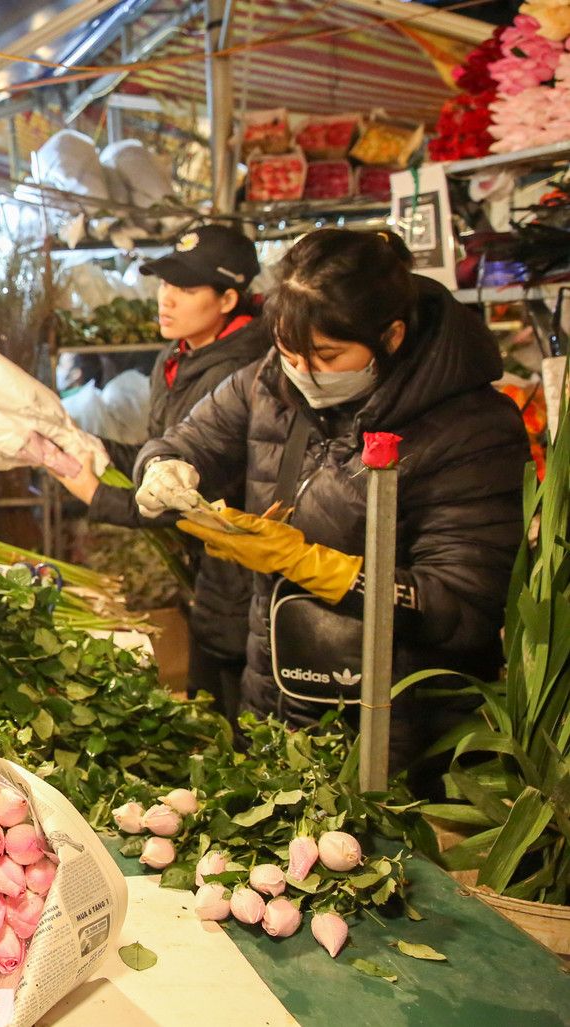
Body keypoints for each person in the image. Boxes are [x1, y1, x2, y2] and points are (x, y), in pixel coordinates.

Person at [134, 229, 528, 790]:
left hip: (399, 733)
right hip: (275, 703)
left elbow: (465, 603)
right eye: (290, 350)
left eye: (327, 355)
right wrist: (165, 467)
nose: (303, 371)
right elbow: (191, 439)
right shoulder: (270, 379)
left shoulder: (471, 429)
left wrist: (318, 566)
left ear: (390, 335)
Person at [54, 226, 268, 724]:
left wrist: (97, 496)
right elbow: (165, 454)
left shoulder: (237, 375)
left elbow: (192, 490)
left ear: (229, 298)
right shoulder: (178, 357)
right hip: (206, 572)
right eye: (164, 283)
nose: (166, 299)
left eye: (187, 289)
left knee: (235, 720)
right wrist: (98, 448)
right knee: (207, 706)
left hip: (239, 571)